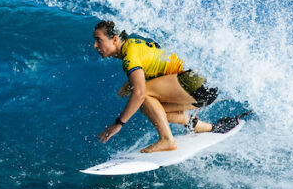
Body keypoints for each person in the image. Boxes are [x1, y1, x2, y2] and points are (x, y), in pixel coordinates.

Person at [92, 20, 240, 153]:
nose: (95, 45)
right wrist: (131, 83)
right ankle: (209, 128)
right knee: (158, 112)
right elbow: (155, 61)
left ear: (115, 39)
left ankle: (167, 140)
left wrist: (118, 124)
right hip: (204, 88)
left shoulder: (130, 57)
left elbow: (140, 94)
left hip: (194, 84)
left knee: (142, 96)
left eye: (99, 40)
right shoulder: (134, 44)